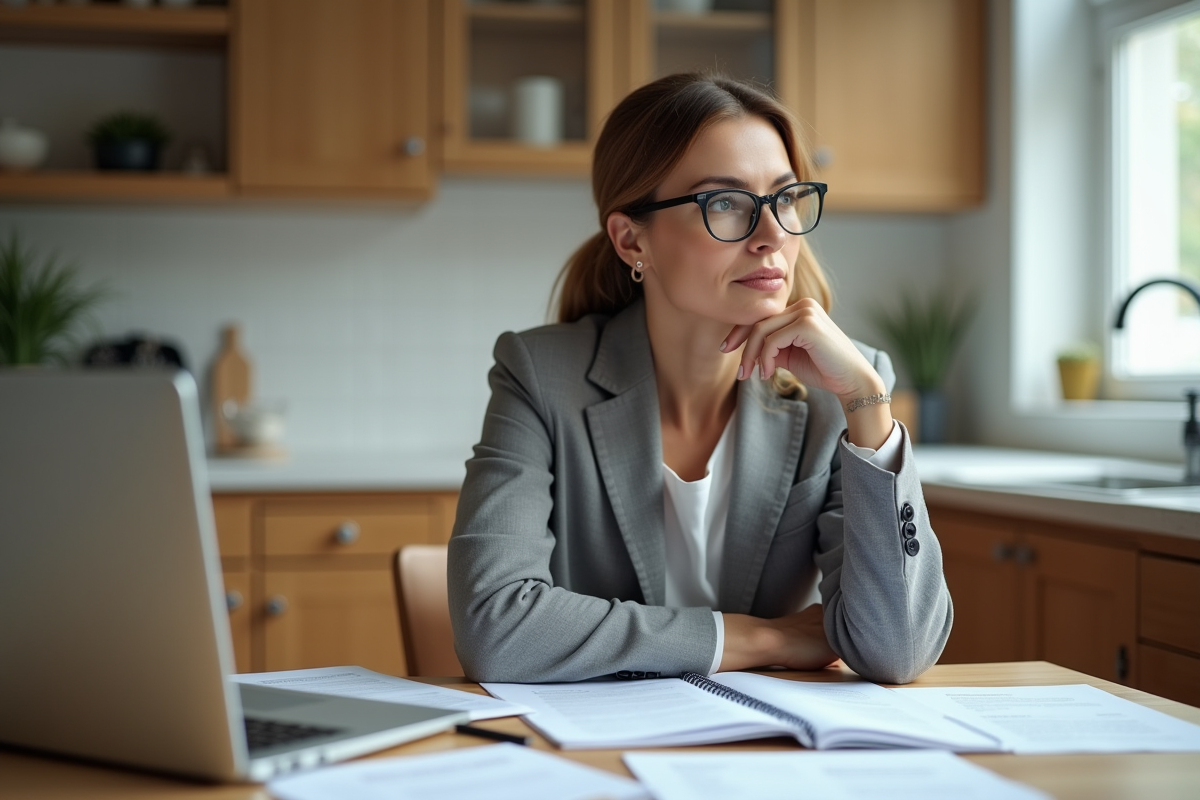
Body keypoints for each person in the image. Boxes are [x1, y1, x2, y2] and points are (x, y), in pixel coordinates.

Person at [448, 73, 952, 685]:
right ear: (633, 240)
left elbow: (898, 652)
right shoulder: (540, 377)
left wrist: (868, 408)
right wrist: (756, 636)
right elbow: (495, 630)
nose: (772, 237)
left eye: (785, 199)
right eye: (725, 203)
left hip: (773, 754)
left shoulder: (841, 389)